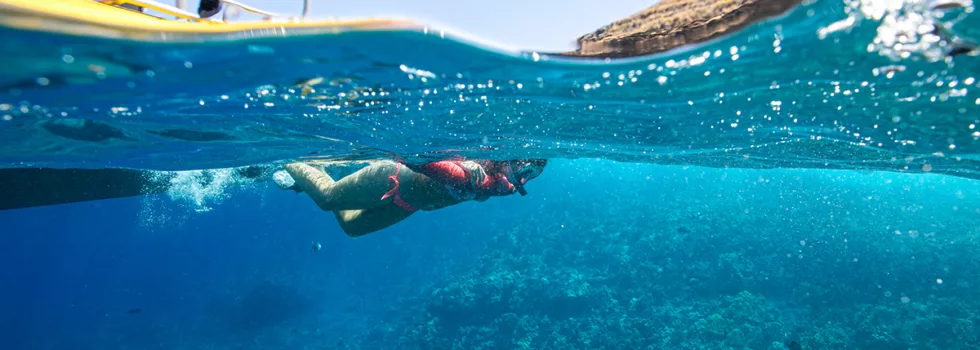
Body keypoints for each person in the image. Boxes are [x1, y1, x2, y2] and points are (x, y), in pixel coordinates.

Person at [277, 158, 547, 237]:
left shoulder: (489, 183)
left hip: (410, 204)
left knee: (352, 227)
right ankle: (288, 159)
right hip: (393, 176)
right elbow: (414, 159)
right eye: (523, 170)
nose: (522, 181)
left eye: (531, 176)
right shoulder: (470, 173)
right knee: (327, 199)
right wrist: (458, 165)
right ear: (508, 161)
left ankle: (317, 171)